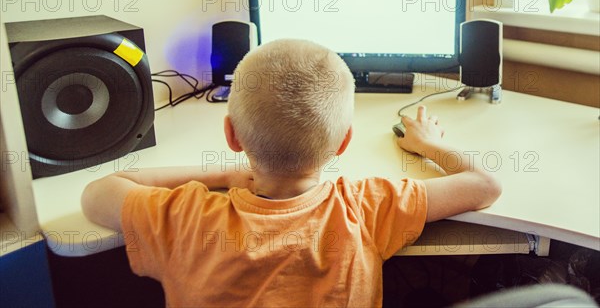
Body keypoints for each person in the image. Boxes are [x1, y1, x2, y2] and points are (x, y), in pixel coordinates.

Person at [81, 39, 502, 307]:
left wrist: (227, 176)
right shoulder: (365, 206)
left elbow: (97, 193)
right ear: (343, 143)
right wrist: (429, 145)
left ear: (231, 135)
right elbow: (485, 185)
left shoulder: (183, 216)